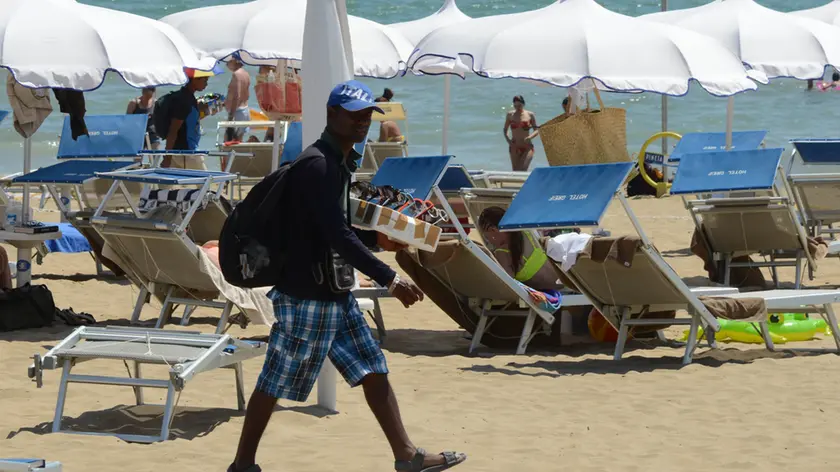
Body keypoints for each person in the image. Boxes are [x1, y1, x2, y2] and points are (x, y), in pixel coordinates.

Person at [228, 80, 467, 472]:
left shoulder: (338, 162)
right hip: (307, 295)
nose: (362, 123)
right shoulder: (318, 165)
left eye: (366, 116)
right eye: (353, 115)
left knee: (373, 369)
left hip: (332, 291)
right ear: (332, 114)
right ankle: (242, 464)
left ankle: (406, 455)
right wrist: (388, 277)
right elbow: (334, 233)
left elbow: (336, 227)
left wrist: (377, 237)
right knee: (275, 380)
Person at [478, 206, 560, 293]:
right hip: (563, 277)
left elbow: (506, 285)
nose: (489, 242)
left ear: (493, 230)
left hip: (552, 285)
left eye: (487, 237)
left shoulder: (502, 252)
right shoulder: (526, 230)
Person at [162, 68, 211, 169]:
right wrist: (167, 157)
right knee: (206, 182)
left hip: (181, 151)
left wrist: (202, 113)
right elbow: (173, 130)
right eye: (205, 80)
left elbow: (187, 122)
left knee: (166, 184)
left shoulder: (189, 98)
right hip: (187, 153)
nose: (206, 84)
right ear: (194, 80)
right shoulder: (184, 101)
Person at [503, 95, 539, 171]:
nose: (517, 107)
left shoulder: (530, 115)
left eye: (519, 105)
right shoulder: (510, 115)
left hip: (527, 146)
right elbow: (505, 129)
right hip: (514, 146)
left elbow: (536, 130)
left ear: (523, 104)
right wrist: (509, 141)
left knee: (523, 169)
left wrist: (530, 137)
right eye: (515, 106)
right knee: (515, 171)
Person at [225, 56, 252, 142]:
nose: (226, 63)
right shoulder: (246, 74)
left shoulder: (236, 74)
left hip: (237, 112)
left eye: (228, 61)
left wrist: (231, 115)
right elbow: (247, 94)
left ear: (235, 61)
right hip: (245, 111)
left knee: (229, 141)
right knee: (238, 141)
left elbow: (237, 96)